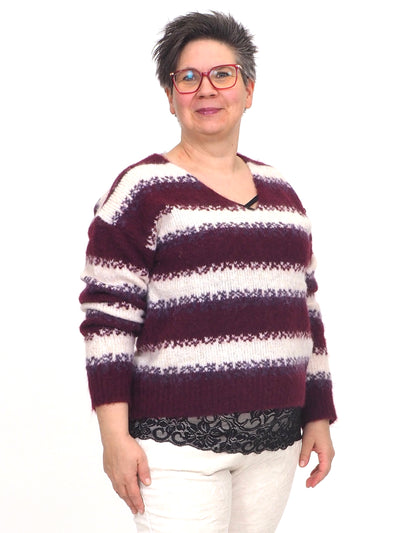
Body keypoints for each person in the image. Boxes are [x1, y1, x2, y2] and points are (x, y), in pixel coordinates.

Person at [79, 11, 336, 533]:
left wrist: (318, 413)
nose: (206, 90)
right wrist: (113, 436)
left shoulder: (283, 194)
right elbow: (107, 322)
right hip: (173, 447)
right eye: (188, 78)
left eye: (223, 74)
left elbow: (306, 311)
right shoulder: (140, 190)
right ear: (170, 96)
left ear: (248, 89)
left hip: (274, 442)